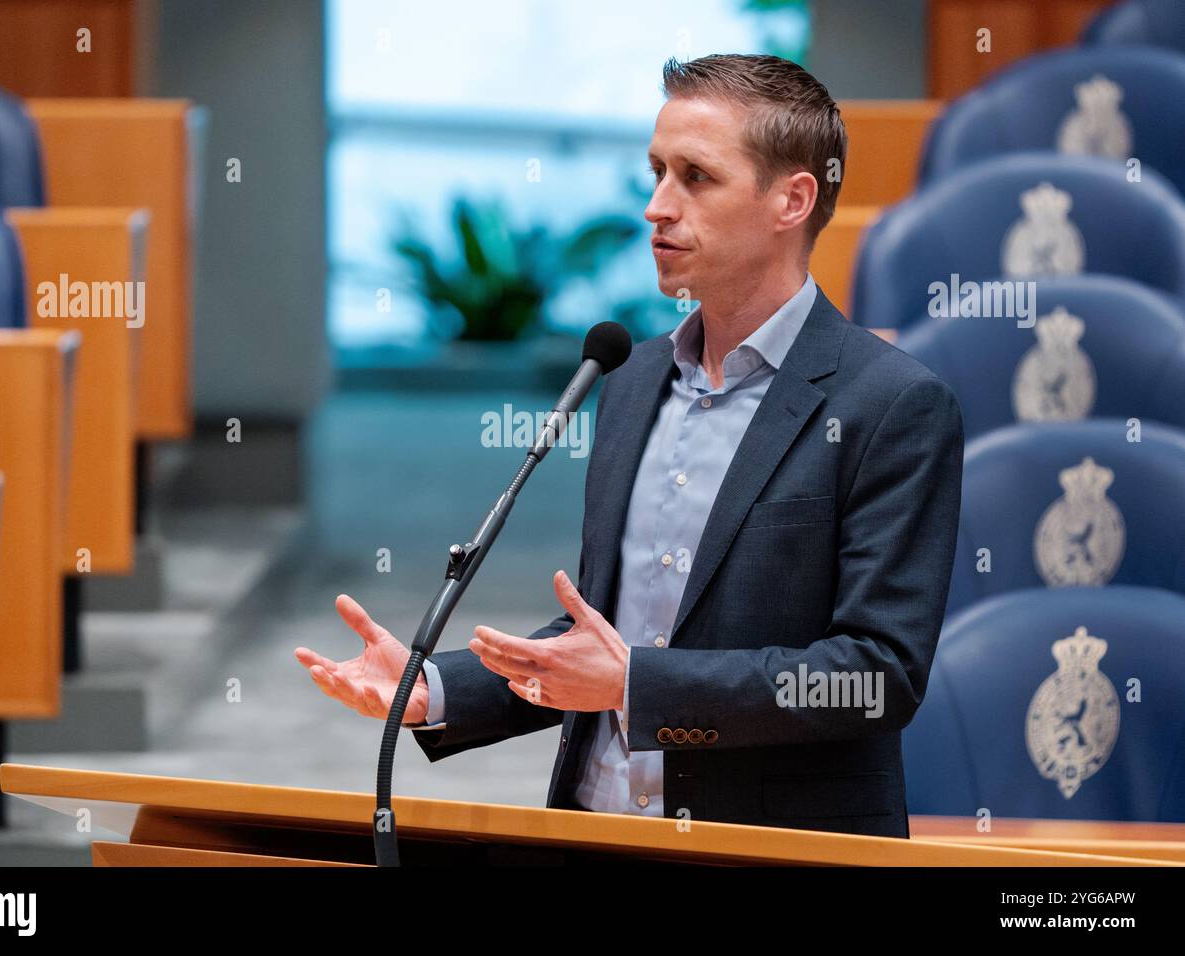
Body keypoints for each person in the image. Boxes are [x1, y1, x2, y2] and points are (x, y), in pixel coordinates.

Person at [296, 53, 963, 837]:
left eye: (695, 177)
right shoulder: (633, 375)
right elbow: (606, 636)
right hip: (593, 831)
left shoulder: (892, 404)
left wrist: (637, 686)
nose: (656, 206)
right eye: (655, 172)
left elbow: (876, 676)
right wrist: (435, 689)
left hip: (769, 850)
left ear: (792, 199)